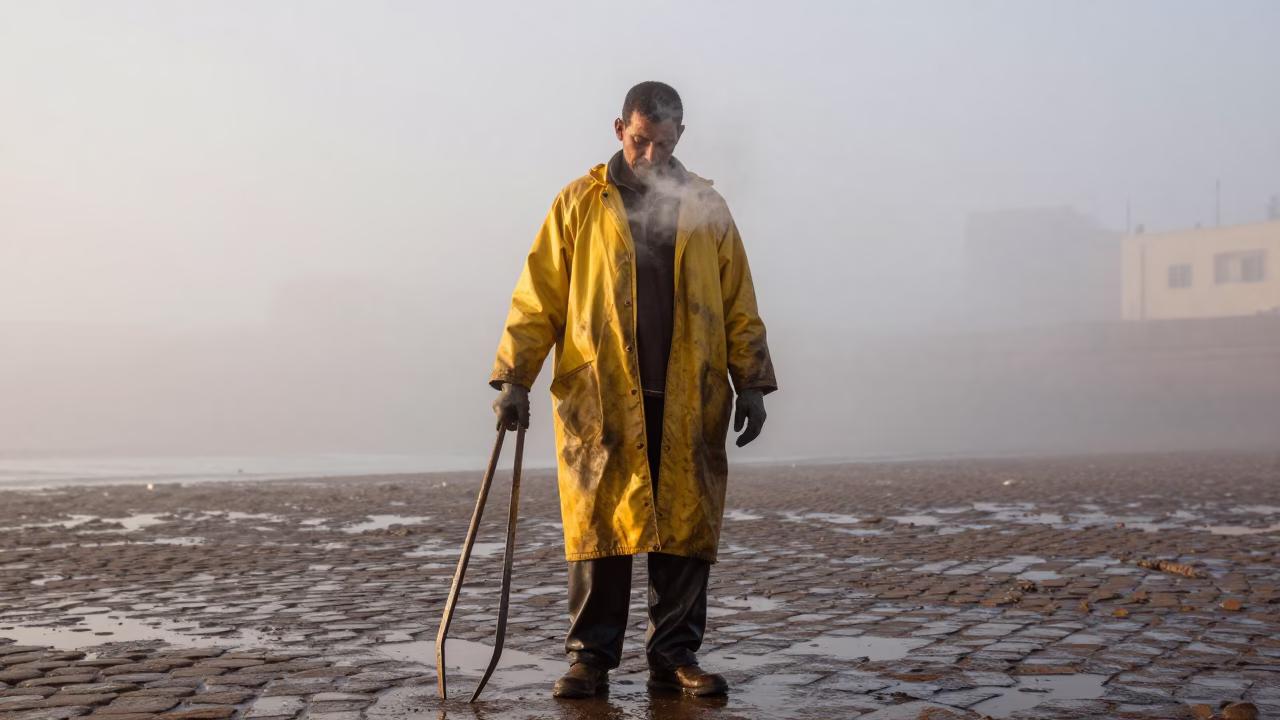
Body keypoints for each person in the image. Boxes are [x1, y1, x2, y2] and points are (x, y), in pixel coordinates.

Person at [489, 81, 776, 699]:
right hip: (601, 393)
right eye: (640, 141)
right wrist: (514, 376)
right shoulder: (578, 203)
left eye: (663, 144)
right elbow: (538, 296)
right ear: (620, 128)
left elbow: (737, 302)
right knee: (601, 529)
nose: (650, 156)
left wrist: (750, 382)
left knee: (684, 531)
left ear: (680, 139)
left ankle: (674, 659)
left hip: (688, 394)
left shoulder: (707, 206)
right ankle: (589, 661)